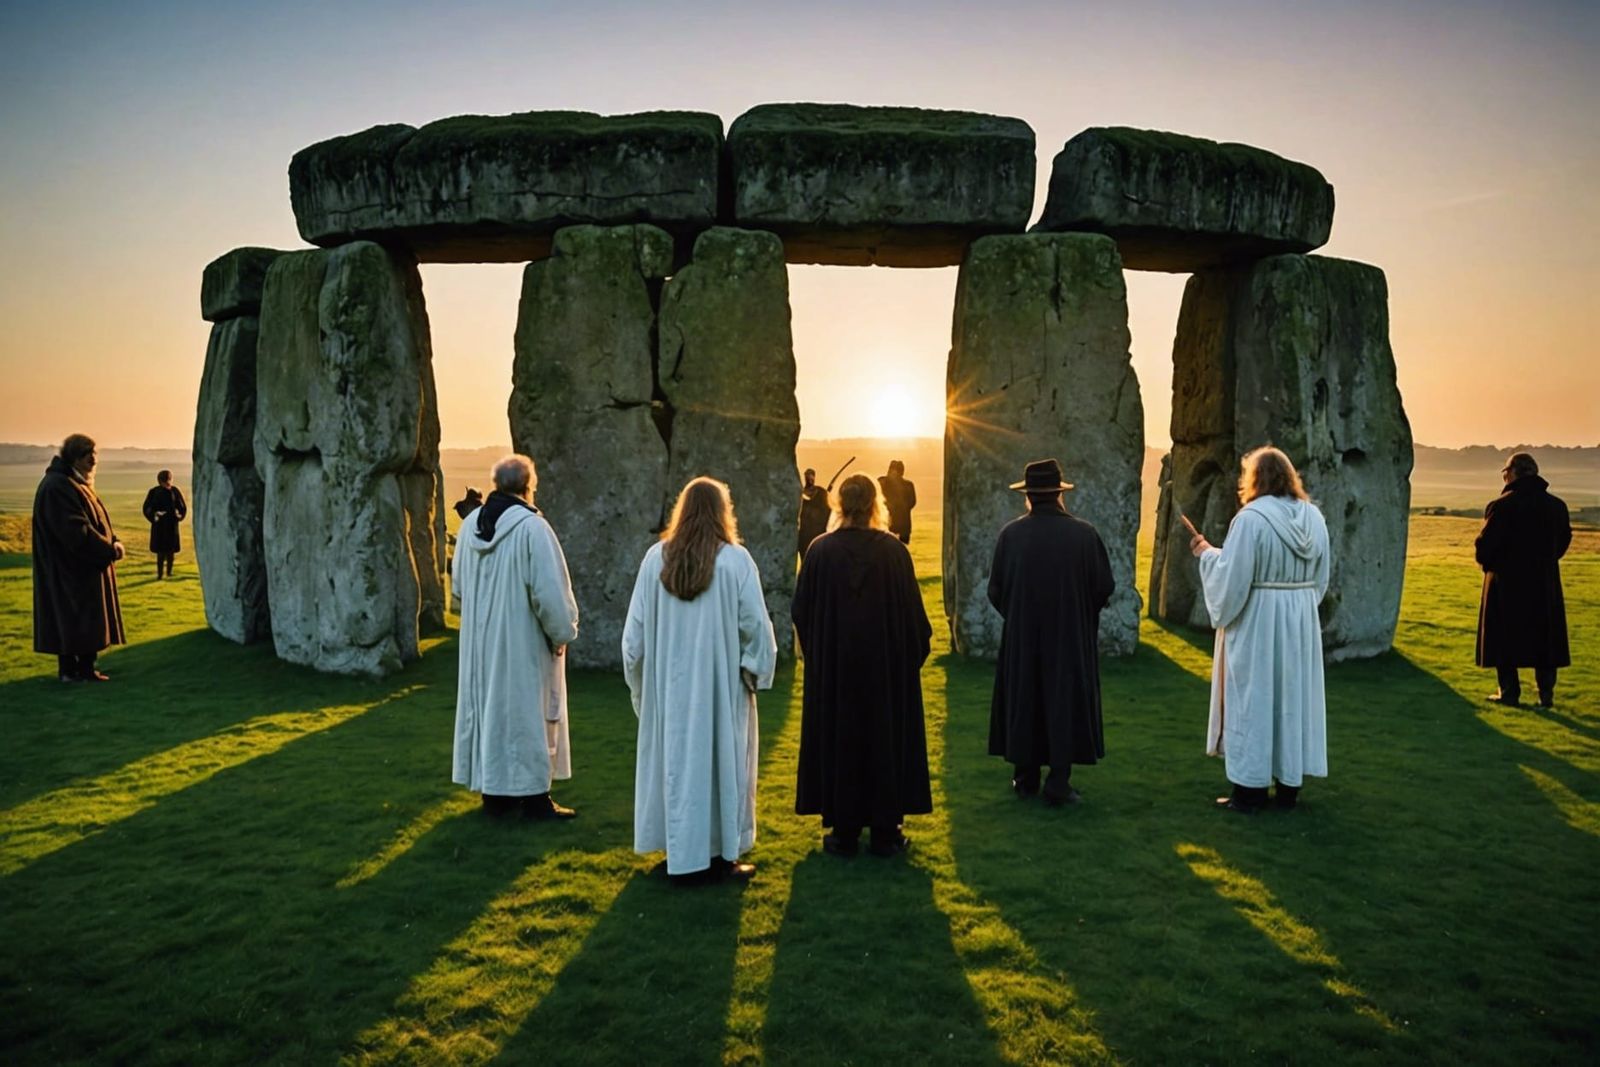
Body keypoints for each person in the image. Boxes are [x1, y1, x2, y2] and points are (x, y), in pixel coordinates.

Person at [624, 477, 778, 885]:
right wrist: (754, 670)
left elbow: (632, 640)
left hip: (669, 690)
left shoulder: (654, 560)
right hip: (720, 688)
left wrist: (644, 688)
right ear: (722, 512)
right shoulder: (735, 561)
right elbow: (758, 632)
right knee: (721, 767)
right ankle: (718, 857)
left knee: (674, 766)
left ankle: (678, 850)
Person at [793, 473, 932, 857]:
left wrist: (820, 658)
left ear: (838, 504)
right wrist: (905, 662)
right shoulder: (893, 553)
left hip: (836, 673)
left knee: (842, 741)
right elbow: (915, 622)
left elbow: (801, 613)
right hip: (885, 672)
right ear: (876, 504)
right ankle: (886, 831)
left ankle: (844, 830)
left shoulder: (820, 552)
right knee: (884, 741)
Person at [1187, 446, 1330, 814]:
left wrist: (1205, 554)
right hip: (1298, 620)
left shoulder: (1250, 519)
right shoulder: (1314, 518)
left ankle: (1249, 791)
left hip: (1260, 621)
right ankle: (1288, 788)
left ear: (1254, 479)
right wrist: (1299, 607)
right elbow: (1321, 577)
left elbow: (1234, 578)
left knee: (1253, 698)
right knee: (1291, 700)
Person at [451, 455, 581, 820]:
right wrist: (562, 632)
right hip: (522, 642)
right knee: (527, 714)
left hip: (480, 643)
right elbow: (550, 592)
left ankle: (495, 795)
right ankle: (535, 799)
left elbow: (459, 588)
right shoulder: (532, 529)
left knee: (492, 713)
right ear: (529, 486)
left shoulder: (470, 527)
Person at [987, 459, 1115, 805]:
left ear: (1028, 496)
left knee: (1026, 696)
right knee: (1063, 701)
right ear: (1059, 494)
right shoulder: (1084, 535)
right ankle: (1059, 780)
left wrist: (1019, 617)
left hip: (1023, 634)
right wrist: (1078, 615)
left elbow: (995, 591)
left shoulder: (1010, 536)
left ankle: (1026, 777)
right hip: (1069, 635)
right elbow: (1103, 586)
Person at [1476, 451, 1571, 708]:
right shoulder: (1556, 507)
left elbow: (1485, 546)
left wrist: (1491, 564)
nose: (1504, 476)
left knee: (1504, 638)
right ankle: (1546, 695)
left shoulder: (1502, 506)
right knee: (1545, 639)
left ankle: (1509, 692)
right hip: (1544, 582)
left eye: (1505, 472)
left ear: (1514, 473)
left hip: (1506, 583)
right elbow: (1562, 543)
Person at [32, 433, 125, 682]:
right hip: (70, 570)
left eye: (95, 454)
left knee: (79, 620)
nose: (93, 460)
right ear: (74, 457)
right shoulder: (59, 486)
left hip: (78, 568)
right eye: (87, 455)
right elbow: (76, 531)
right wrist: (108, 550)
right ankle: (74, 671)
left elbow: (95, 522)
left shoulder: (73, 483)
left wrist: (112, 540)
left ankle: (80, 669)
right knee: (74, 619)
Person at [141, 470, 187, 579]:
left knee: (171, 551)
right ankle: (160, 574)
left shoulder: (175, 491)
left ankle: (169, 573)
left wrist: (179, 515)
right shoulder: (154, 492)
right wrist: (154, 515)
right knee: (161, 552)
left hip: (171, 524)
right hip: (160, 525)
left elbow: (182, 506)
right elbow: (147, 508)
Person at [878, 460, 917, 544]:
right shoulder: (908, 485)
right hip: (900, 525)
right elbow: (912, 502)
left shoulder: (882, 483)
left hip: (890, 524)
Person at [797, 467, 831, 561]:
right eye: (807, 476)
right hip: (804, 537)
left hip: (818, 536)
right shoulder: (799, 494)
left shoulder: (822, 493)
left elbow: (828, 513)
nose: (810, 479)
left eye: (811, 475)